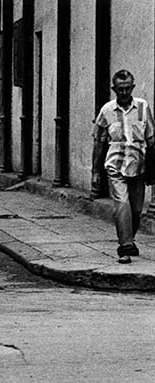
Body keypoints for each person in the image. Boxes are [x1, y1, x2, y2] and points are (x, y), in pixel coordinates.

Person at [93, 69, 155, 264]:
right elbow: (98, 142)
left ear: (133, 87)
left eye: (128, 88)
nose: (124, 92)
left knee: (136, 210)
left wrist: (152, 168)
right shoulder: (106, 110)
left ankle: (130, 239)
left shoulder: (143, 107)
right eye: (120, 89)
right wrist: (95, 172)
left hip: (138, 166)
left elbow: (151, 139)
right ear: (114, 89)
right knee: (122, 203)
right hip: (115, 165)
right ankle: (125, 247)